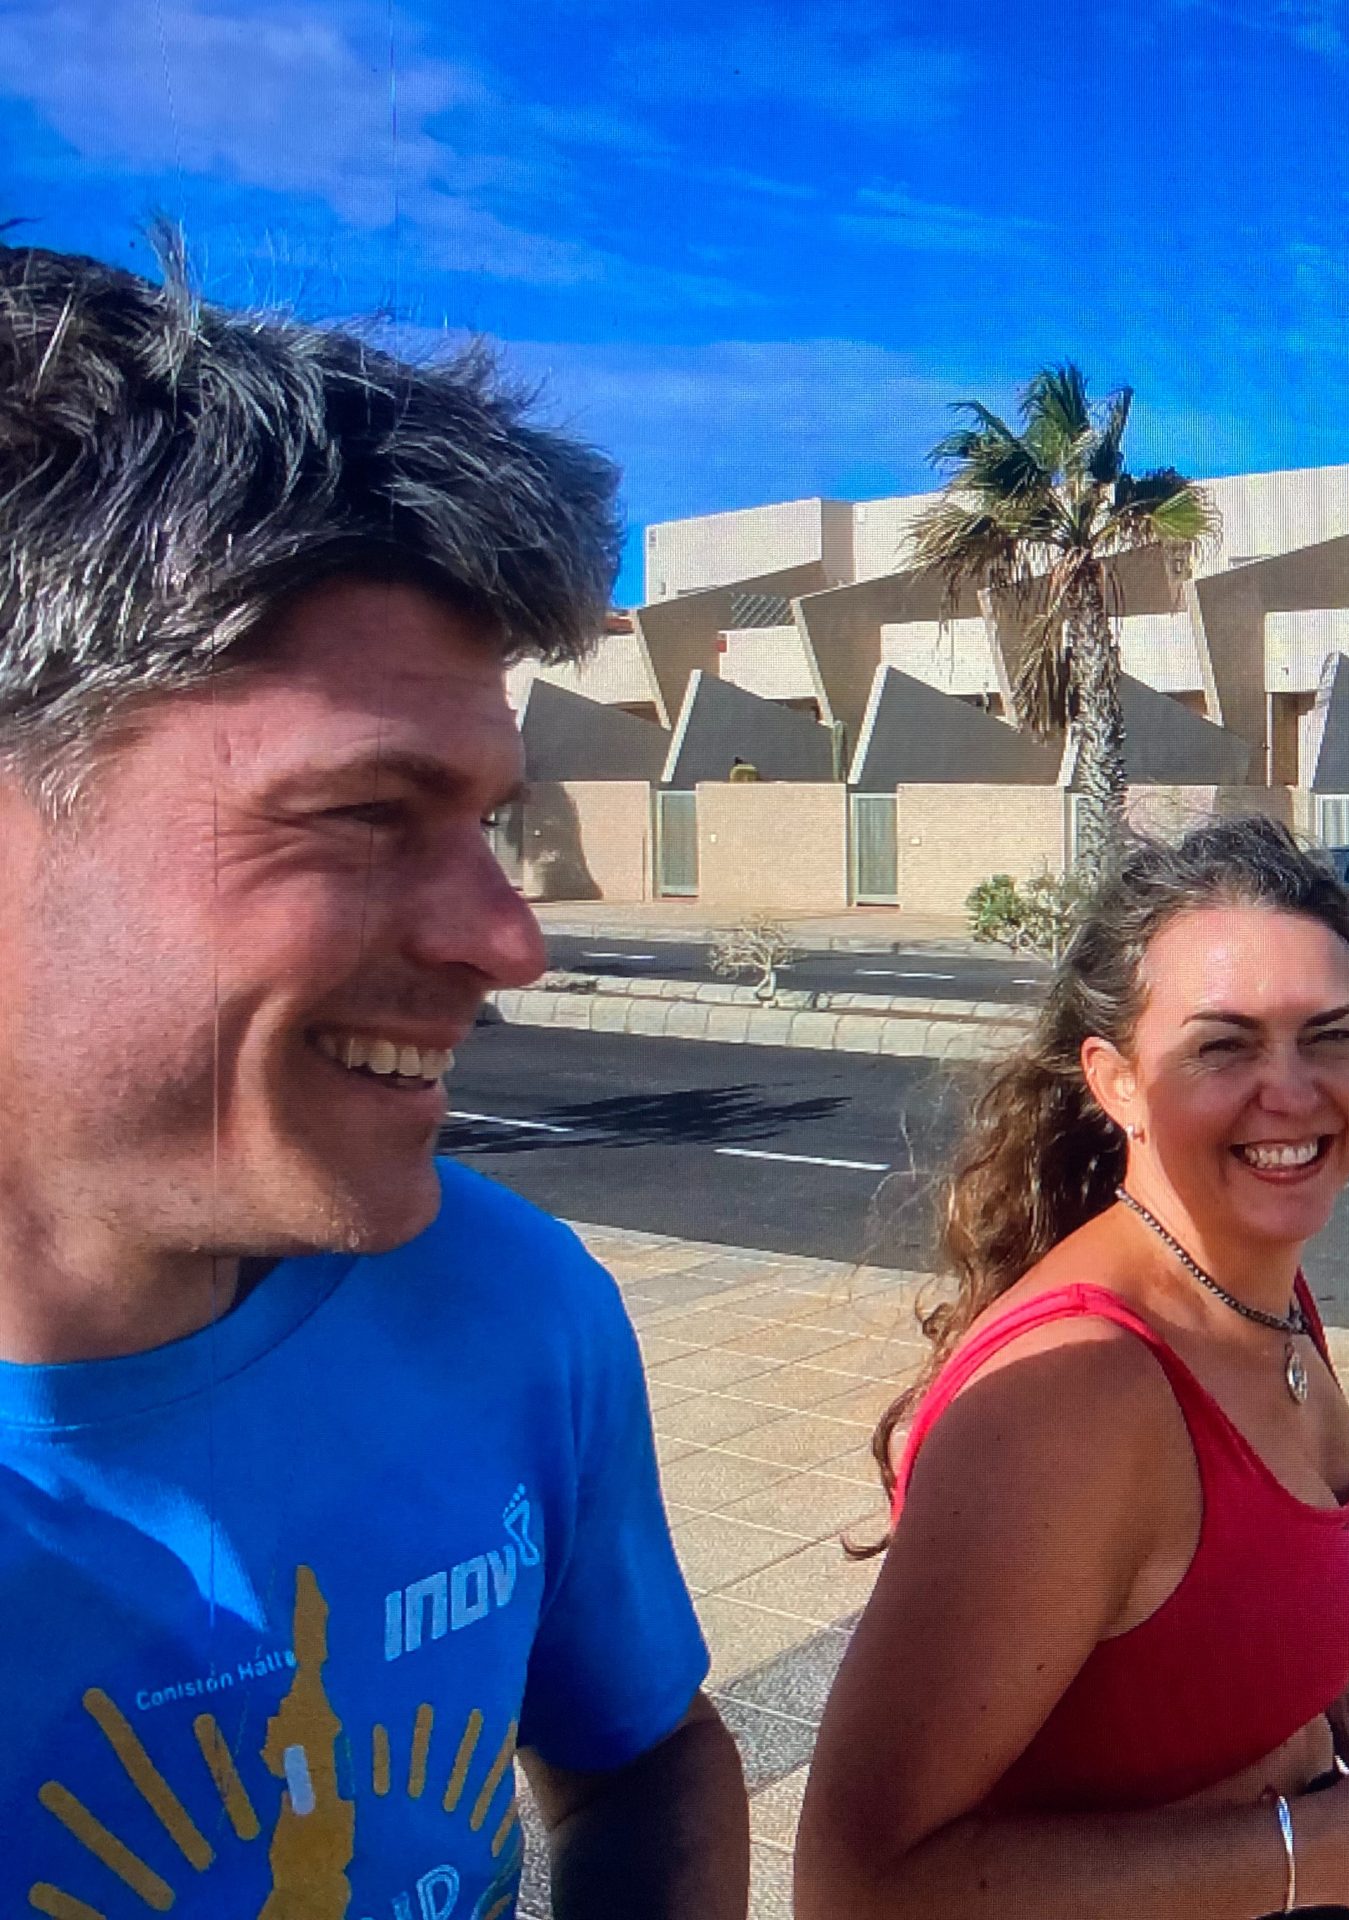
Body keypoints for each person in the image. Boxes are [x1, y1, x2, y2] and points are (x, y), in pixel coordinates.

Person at [0, 242, 746, 1915]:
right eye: (359, 813)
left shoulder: (512, 1305)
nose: (509, 939)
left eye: (489, 823)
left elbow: (638, 1755)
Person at [795, 816, 1349, 1920]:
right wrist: (1322, 1849)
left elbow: (1227, 1597)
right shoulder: (1077, 1402)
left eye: (1331, 1036)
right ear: (1117, 1080)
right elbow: (856, 1890)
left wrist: (1348, 1732)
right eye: (1224, 1046)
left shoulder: (1256, 1288)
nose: (1292, 1092)